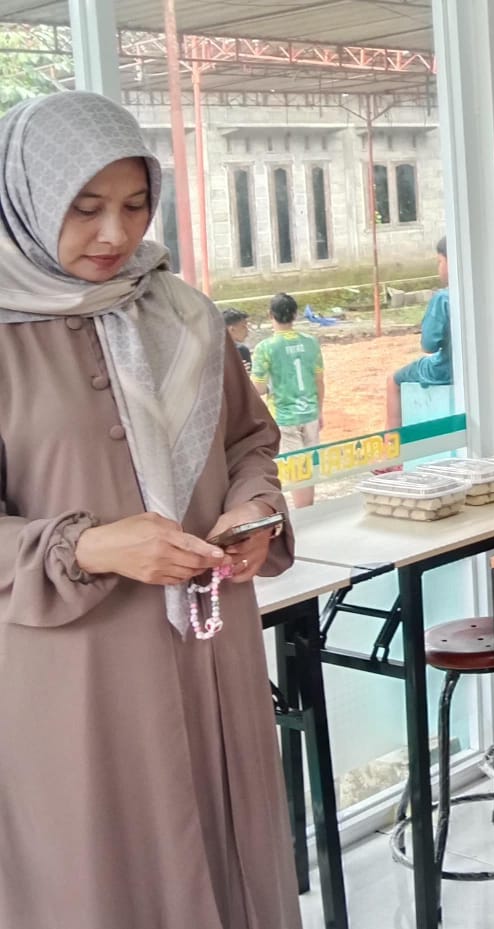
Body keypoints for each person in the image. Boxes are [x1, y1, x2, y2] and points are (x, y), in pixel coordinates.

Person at [0, 92, 298, 928]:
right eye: (84, 207)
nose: (115, 234)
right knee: (104, 880)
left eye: (135, 205)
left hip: (211, 650)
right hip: (76, 678)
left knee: (232, 857)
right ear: (25, 201)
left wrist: (254, 507)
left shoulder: (183, 314)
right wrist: (90, 545)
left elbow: (250, 439)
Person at [252, 293, 325, 508]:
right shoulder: (311, 343)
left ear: (270, 315)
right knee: (309, 467)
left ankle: (304, 514)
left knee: (296, 470)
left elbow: (258, 388)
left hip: (284, 416)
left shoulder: (265, 348)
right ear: (295, 314)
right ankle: (308, 509)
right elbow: (319, 381)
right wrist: (320, 410)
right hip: (310, 412)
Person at [385, 236, 452, 430]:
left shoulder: (443, 299)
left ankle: (392, 438)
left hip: (446, 368)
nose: (439, 267)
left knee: (393, 381)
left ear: (451, 262)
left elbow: (429, 346)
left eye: (440, 261)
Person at [224, 307, 253, 371]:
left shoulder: (242, 351)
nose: (247, 330)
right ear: (232, 329)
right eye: (244, 326)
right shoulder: (211, 354)